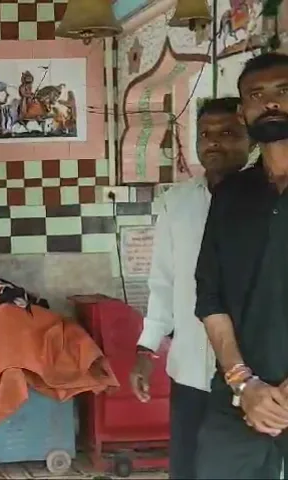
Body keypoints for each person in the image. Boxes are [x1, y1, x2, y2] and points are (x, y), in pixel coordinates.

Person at [129, 97, 251, 479]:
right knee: (187, 467)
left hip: (254, 373)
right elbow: (163, 281)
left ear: (251, 139)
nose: (214, 143)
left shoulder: (268, 201)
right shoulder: (176, 203)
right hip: (192, 372)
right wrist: (146, 348)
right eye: (206, 135)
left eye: (229, 133)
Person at [195, 52, 288, 479]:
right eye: (257, 95)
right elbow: (210, 298)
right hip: (238, 399)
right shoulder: (231, 196)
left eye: (283, 91)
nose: (270, 103)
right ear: (243, 110)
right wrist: (243, 384)